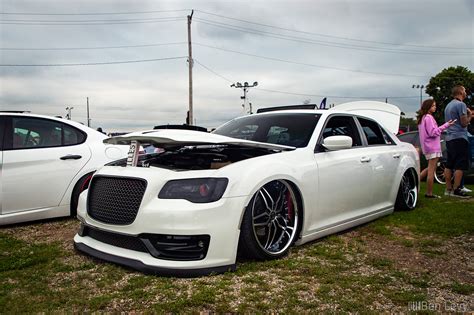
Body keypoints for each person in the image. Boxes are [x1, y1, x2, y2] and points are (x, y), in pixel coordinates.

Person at [417, 99, 455, 198]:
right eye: (433, 105)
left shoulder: (423, 118)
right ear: (428, 107)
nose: (435, 107)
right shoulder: (429, 118)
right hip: (432, 147)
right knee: (431, 171)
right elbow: (433, 133)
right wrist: (446, 125)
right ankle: (429, 193)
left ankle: (414, 184)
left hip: (428, 147)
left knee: (429, 168)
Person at [444, 85, 472, 198]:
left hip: (449, 138)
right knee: (460, 164)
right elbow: (464, 123)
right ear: (460, 92)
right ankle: (457, 190)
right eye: (464, 90)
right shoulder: (461, 104)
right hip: (459, 137)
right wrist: (469, 116)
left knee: (449, 164)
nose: (465, 92)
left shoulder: (448, 105)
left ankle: (448, 189)